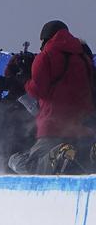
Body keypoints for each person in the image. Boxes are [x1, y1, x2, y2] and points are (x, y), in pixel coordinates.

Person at [8, 20, 96, 175]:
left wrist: (25, 81)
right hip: (83, 129)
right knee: (82, 167)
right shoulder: (84, 58)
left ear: (46, 37)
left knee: (24, 163)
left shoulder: (46, 55)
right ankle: (90, 156)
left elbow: (38, 91)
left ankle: (58, 155)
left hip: (53, 129)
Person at [0, 53, 37, 173]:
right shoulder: (6, 104)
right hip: (4, 162)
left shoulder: (33, 102)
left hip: (20, 161)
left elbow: (43, 121)